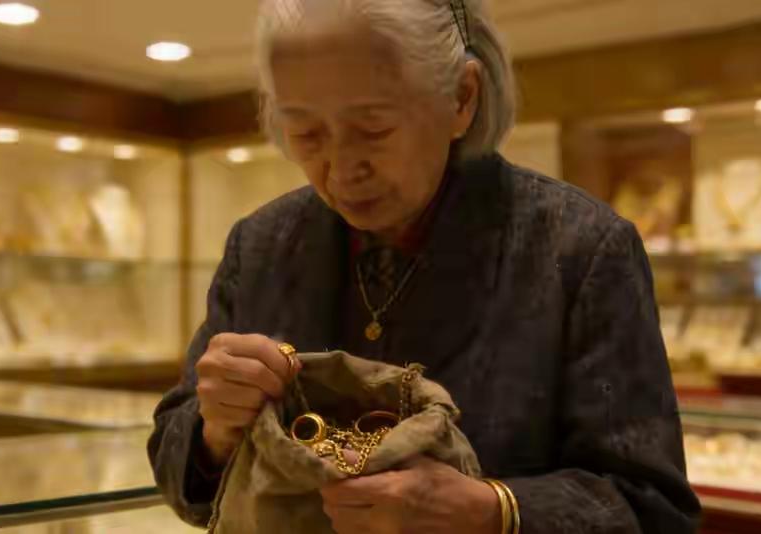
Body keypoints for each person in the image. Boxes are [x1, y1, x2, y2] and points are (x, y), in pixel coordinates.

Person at [148, 0, 701, 532]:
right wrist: (216, 430)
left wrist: (493, 512)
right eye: (306, 134)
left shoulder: (580, 251)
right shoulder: (261, 247)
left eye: (373, 128)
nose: (340, 169)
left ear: (462, 97)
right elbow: (178, 472)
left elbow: (652, 509)